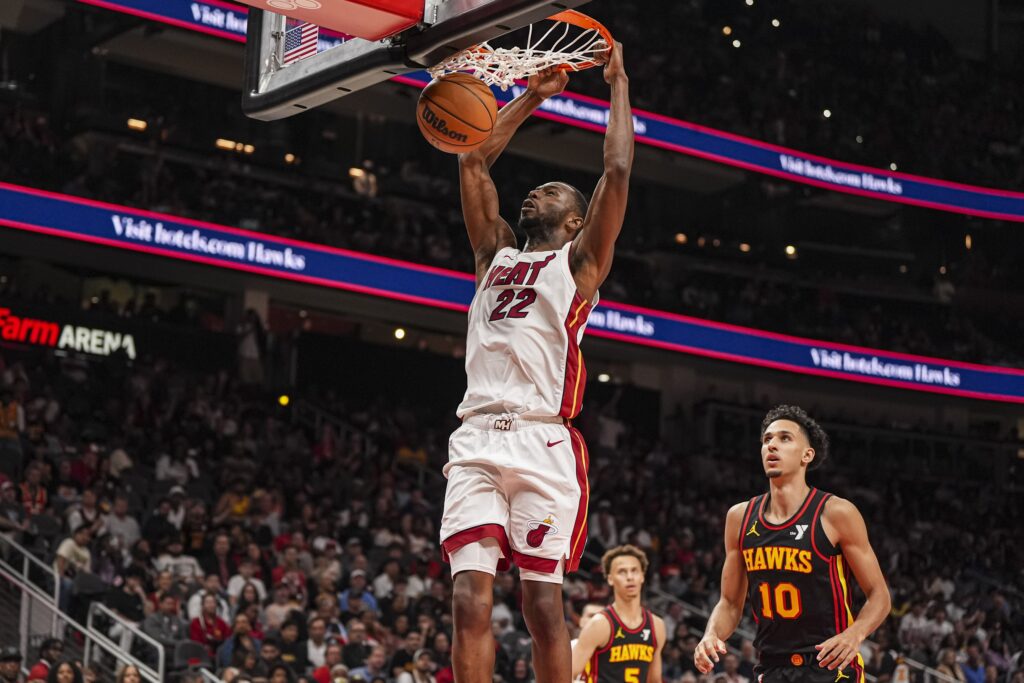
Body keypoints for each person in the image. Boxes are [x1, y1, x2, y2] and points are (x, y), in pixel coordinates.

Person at [441, 41, 633, 683]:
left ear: (575, 219)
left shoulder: (579, 264)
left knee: (542, 606)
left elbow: (617, 172)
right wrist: (532, 95)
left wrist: (616, 85)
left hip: (543, 439)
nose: (533, 193)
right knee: (468, 597)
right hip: (475, 437)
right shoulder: (492, 252)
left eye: (549, 192)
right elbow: (472, 155)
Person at [695, 405, 892, 683]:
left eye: (784, 438)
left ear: (807, 455)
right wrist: (711, 634)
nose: (772, 445)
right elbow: (729, 603)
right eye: (767, 440)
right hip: (772, 667)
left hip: (829, 665)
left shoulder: (835, 512)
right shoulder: (739, 517)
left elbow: (879, 595)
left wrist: (854, 634)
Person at [572, 546, 665, 683]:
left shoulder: (657, 625)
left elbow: (654, 680)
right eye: (622, 572)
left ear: (642, 576)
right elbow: (566, 674)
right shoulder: (600, 624)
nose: (629, 577)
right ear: (610, 579)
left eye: (634, 571)